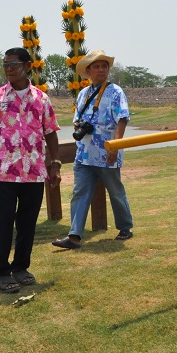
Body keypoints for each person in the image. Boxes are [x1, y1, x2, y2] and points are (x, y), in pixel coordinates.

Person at [0, 47, 61, 292]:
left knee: (27, 223)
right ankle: (2, 273)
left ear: (27, 67)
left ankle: (21, 267)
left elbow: (50, 132)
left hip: (34, 172)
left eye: (13, 64)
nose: (8, 69)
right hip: (5, 172)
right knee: (3, 223)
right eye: (5, 65)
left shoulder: (41, 99)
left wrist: (54, 165)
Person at [52, 50, 134, 249]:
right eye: (96, 66)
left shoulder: (115, 92)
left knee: (115, 191)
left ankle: (125, 227)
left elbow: (122, 119)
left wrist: (115, 146)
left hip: (107, 152)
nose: (101, 70)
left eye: (104, 66)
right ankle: (74, 236)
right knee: (79, 192)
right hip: (84, 153)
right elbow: (77, 119)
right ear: (88, 71)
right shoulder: (83, 93)